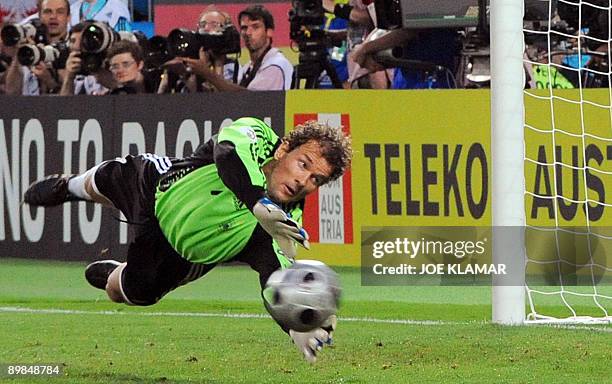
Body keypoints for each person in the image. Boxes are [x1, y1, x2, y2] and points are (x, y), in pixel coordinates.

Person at [23, 117, 352, 363]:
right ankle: (68, 186)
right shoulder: (257, 136)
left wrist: (295, 323)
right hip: (158, 187)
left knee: (127, 293)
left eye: (315, 179)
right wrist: (256, 201)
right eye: (303, 164)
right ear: (283, 150)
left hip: (181, 252)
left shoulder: (286, 221)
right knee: (109, 179)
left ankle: (117, 272)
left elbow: (276, 278)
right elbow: (228, 154)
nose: (302, 180)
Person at [182, 5, 293, 91]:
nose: (248, 33)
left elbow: (251, 101)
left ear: (269, 31)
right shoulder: (247, 68)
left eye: (255, 27)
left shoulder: (275, 65)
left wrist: (207, 73)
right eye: (244, 28)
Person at [3, 0, 69, 95]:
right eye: (47, 11)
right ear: (39, 16)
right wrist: (18, 57)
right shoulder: (30, 48)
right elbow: (11, 92)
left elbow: (79, 100)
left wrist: (49, 81)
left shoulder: (75, 48)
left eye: (60, 12)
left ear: (68, 17)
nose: (53, 17)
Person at [59, 22, 114, 95]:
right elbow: (64, 104)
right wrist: (69, 77)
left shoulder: (110, 64)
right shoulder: (71, 71)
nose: (77, 46)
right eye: (73, 41)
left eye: (83, 40)